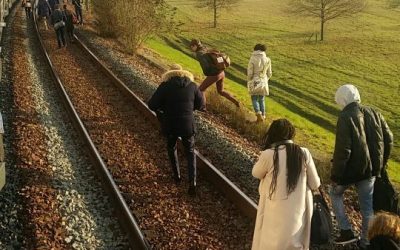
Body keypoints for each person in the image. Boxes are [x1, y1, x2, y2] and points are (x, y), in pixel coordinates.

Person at [330, 84, 393, 249]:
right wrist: (381, 163)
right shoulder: (375, 112)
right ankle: (366, 242)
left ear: (342, 99)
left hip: (351, 171)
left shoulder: (345, 116)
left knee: (335, 193)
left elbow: (343, 150)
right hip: (371, 171)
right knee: (367, 207)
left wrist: (336, 176)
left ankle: (346, 231)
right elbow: (389, 138)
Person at [251, 118, 321, 250]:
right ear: (291, 134)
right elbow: (315, 183)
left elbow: (256, 173)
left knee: (270, 241)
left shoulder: (269, 154)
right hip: (299, 212)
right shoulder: (304, 153)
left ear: (272, 134)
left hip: (273, 208)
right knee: (295, 241)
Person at [148, 64, 205, 196]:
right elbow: (201, 105)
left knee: (171, 147)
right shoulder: (193, 86)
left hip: (170, 124)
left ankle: (177, 176)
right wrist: (189, 109)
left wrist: (163, 110)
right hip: (187, 125)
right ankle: (193, 183)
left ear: (169, 74)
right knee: (190, 152)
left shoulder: (165, 86)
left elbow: (152, 104)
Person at [190, 39, 240, 109]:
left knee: (201, 90)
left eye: (191, 47)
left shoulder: (199, 54)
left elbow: (206, 66)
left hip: (215, 74)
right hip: (221, 72)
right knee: (221, 91)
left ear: (195, 46)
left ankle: (203, 108)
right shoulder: (205, 48)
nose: (191, 49)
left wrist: (207, 74)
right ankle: (236, 102)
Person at [247, 43, 272, 122]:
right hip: (264, 81)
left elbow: (250, 72)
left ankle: (258, 113)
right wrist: (265, 79)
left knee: (254, 98)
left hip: (255, 80)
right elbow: (270, 73)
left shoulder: (253, 58)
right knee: (262, 99)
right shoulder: (268, 59)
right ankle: (263, 116)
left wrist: (249, 79)